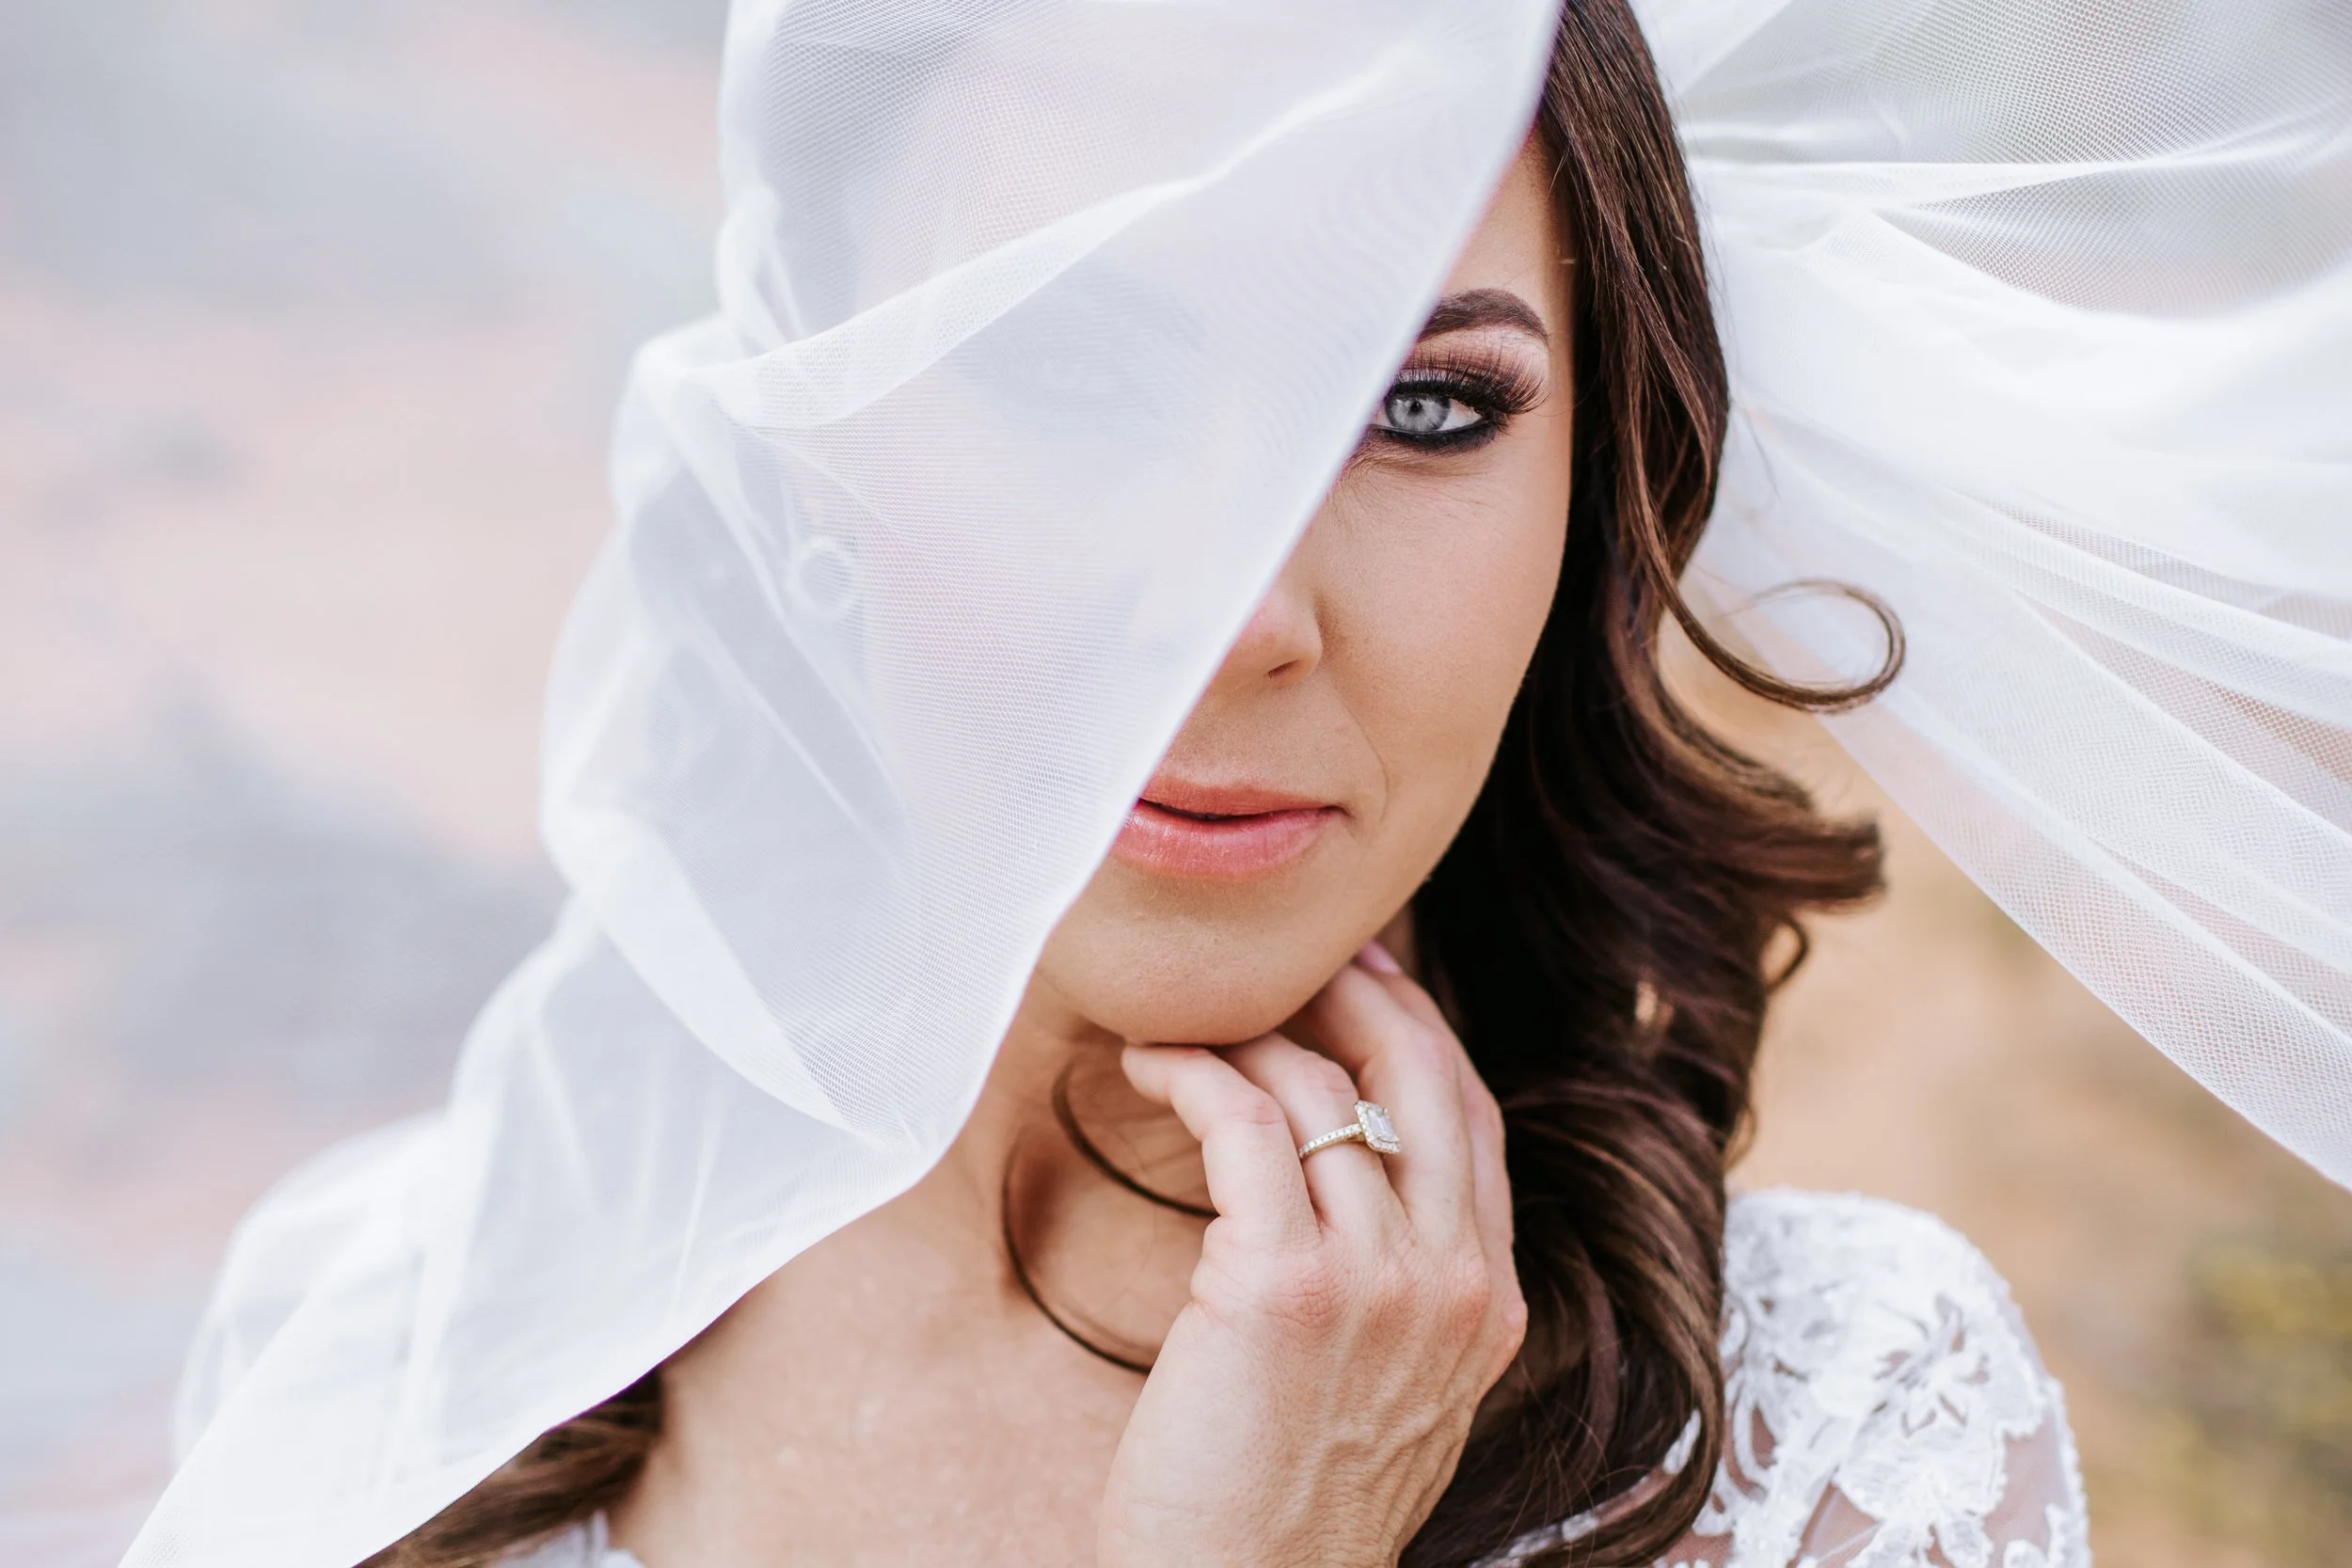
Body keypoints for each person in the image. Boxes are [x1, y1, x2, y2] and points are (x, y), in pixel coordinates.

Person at [124, 0, 2350, 1565]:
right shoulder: (400, 1318)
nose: (1244, 613)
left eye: (1422, 411)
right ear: (816, 446)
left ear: (1594, 500)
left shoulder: (1835, 1440)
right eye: (1075, 363)